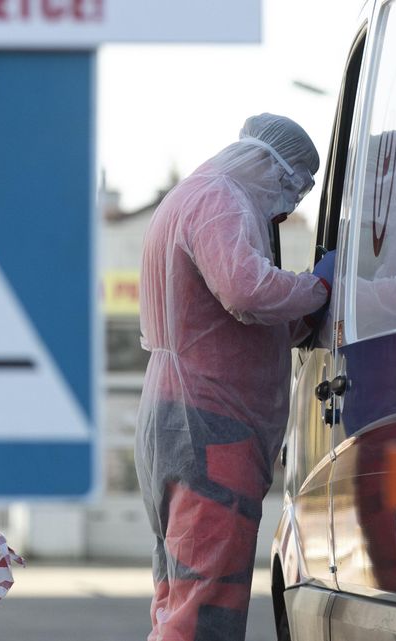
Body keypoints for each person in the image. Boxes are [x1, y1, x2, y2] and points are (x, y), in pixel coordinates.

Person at [135, 113, 336, 641]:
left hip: (181, 415)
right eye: (293, 186)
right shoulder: (221, 199)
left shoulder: (195, 196)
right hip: (212, 424)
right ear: (270, 166)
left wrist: (303, 312)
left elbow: (236, 319)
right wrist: (316, 287)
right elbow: (245, 292)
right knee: (206, 600)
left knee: (178, 592)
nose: (291, 204)